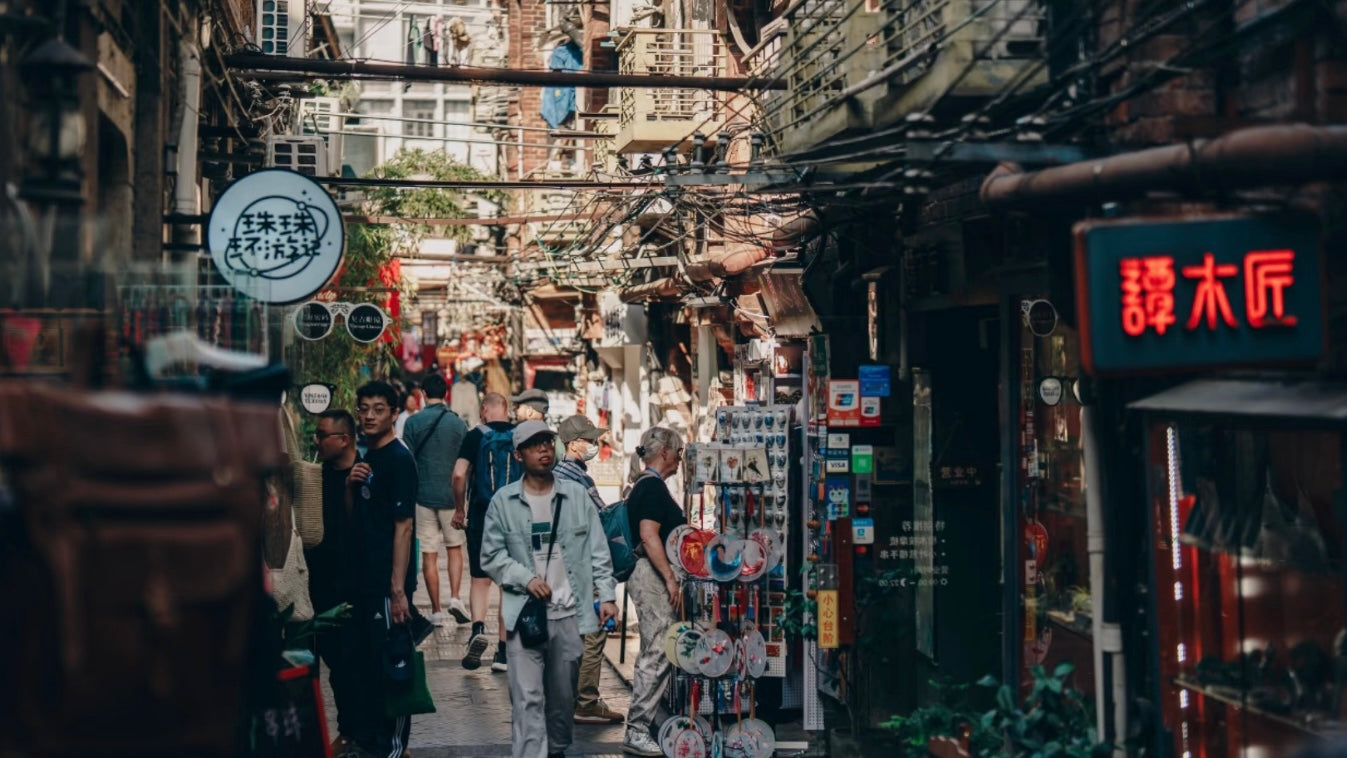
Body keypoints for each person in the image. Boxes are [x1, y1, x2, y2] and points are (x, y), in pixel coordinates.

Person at [479, 420, 619, 758]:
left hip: (570, 616)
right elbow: (490, 556)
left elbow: (598, 549)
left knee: (561, 704)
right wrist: (525, 578)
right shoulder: (503, 502)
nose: (544, 449)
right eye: (534, 444)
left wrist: (608, 596)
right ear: (518, 454)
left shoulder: (576, 495)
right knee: (526, 700)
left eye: (548, 442)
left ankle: (555, 751)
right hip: (523, 617)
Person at [343, 381, 419, 758]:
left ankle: (392, 749)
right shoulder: (365, 457)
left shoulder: (399, 459)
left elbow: (403, 527)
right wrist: (349, 485)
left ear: (393, 414)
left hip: (388, 587)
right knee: (368, 669)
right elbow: (357, 521)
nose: (369, 415)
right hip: (364, 582)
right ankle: (373, 743)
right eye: (364, 408)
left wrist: (398, 590)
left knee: (394, 666)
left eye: (378, 409)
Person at [552, 415, 625, 725]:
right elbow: (595, 521)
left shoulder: (561, 474)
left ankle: (569, 697)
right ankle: (586, 700)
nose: (594, 445)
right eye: (590, 440)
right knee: (593, 631)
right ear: (573, 444)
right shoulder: (573, 478)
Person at [621, 427, 686, 757]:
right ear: (665, 452)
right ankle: (637, 729)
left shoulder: (648, 486)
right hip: (650, 575)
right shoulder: (651, 489)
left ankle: (644, 721)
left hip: (648, 574)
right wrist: (670, 578)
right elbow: (649, 536)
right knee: (658, 648)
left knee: (656, 646)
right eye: (679, 452)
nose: (680, 459)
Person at [304, 409, 359, 755]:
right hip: (319, 587)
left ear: (343, 439)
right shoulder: (314, 478)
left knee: (358, 664)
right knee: (335, 666)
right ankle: (347, 731)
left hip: (355, 586)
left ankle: (369, 734)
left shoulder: (366, 473)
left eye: (322, 435)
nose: (316, 441)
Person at [451, 392, 518, 671]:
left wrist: (459, 510)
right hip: (514, 516)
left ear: (484, 410)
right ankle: (503, 653)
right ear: (507, 409)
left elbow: (458, 474)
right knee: (507, 584)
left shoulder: (475, 435)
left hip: (481, 514)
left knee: (480, 578)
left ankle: (478, 630)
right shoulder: (520, 435)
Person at [402, 373, 470, 627]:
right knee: (455, 549)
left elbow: (408, 462)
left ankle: (437, 611)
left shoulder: (412, 423)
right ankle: (455, 598)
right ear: (446, 394)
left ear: (422, 393)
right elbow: (465, 466)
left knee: (429, 554)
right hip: (452, 497)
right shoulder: (458, 424)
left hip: (422, 496)